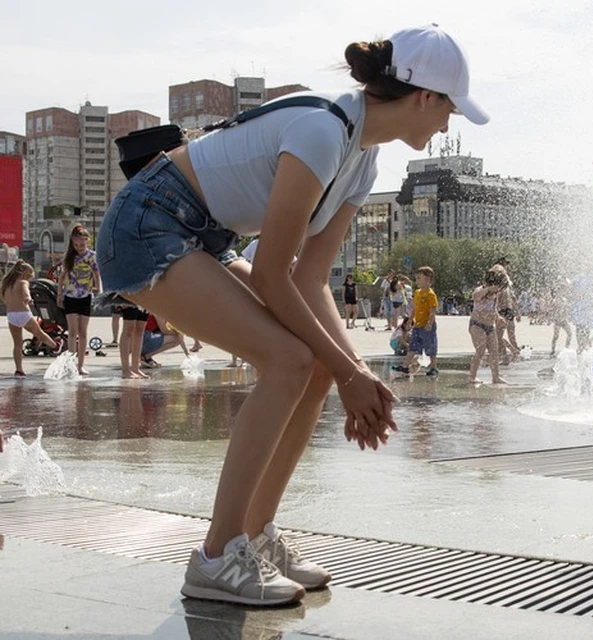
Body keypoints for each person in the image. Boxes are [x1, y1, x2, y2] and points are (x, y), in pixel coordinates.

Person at [95, 24, 486, 606]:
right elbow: (275, 274)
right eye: (450, 109)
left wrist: (355, 372)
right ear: (424, 96)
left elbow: (309, 279)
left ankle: (254, 535)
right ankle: (215, 557)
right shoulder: (323, 129)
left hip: (202, 233)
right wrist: (352, 375)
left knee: (318, 367)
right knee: (286, 362)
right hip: (148, 224)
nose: (447, 123)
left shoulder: (364, 158)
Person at [2, 260, 61, 376]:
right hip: (23, 313)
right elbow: (26, 292)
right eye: (29, 276)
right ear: (24, 274)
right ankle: (56, 346)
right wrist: (28, 299)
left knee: (17, 344)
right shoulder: (22, 282)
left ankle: (19, 369)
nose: (29, 279)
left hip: (11, 316)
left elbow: (3, 299)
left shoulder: (6, 284)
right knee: (40, 334)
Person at [57, 225, 101, 376]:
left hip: (85, 297)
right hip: (70, 296)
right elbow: (62, 277)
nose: (79, 248)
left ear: (87, 242)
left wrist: (99, 291)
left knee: (83, 332)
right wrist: (59, 294)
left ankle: (80, 365)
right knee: (72, 332)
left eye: (82, 245)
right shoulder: (69, 257)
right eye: (76, 245)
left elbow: (96, 275)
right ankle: (71, 365)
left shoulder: (92, 256)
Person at [394, 266, 440, 376]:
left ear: (428, 279)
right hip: (418, 326)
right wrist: (410, 319)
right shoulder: (418, 293)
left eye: (419, 278)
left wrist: (429, 323)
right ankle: (405, 366)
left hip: (427, 326)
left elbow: (432, 310)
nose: (417, 281)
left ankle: (433, 367)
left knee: (430, 347)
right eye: (416, 278)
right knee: (413, 347)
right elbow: (415, 308)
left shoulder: (431, 294)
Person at [468, 266, 510, 384]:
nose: (499, 291)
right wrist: (488, 289)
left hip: (490, 327)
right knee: (480, 349)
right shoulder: (480, 290)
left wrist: (499, 318)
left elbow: (493, 310)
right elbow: (475, 297)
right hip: (477, 325)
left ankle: (495, 377)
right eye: (498, 288)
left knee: (494, 352)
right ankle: (472, 376)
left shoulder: (495, 296)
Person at [120, 306, 150, 379]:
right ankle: (125, 370)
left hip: (145, 296)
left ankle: (135, 368)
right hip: (130, 296)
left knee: (140, 327)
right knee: (129, 327)